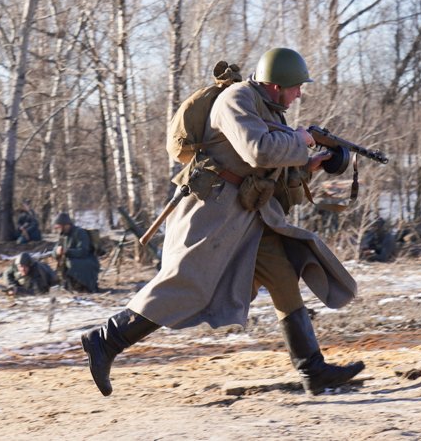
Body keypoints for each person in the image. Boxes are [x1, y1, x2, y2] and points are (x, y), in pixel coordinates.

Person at [81, 48, 364, 397]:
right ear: (277, 85)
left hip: (247, 214)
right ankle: (106, 340)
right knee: (187, 285)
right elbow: (257, 150)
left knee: (282, 273)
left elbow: (267, 166)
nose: (300, 94)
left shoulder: (268, 107)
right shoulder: (236, 99)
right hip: (212, 211)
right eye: (296, 87)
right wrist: (301, 140)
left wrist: (311, 164)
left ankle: (312, 369)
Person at [52, 212, 99, 293]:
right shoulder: (63, 236)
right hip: (74, 259)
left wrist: (67, 251)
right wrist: (57, 251)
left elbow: (83, 251)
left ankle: (82, 285)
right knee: (66, 262)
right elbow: (54, 251)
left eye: (59, 227)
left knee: (70, 263)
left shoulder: (80, 233)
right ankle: (70, 286)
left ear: (65, 225)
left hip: (88, 260)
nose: (57, 229)